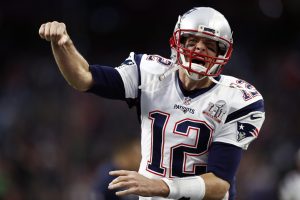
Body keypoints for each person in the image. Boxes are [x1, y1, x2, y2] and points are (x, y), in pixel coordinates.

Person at [39, 7, 265, 200]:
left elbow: (219, 183)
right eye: (192, 40)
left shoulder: (239, 99)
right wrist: (63, 45)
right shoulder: (149, 72)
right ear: (177, 42)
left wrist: (161, 186)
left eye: (209, 45)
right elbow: (83, 78)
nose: (198, 49)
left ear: (223, 52)